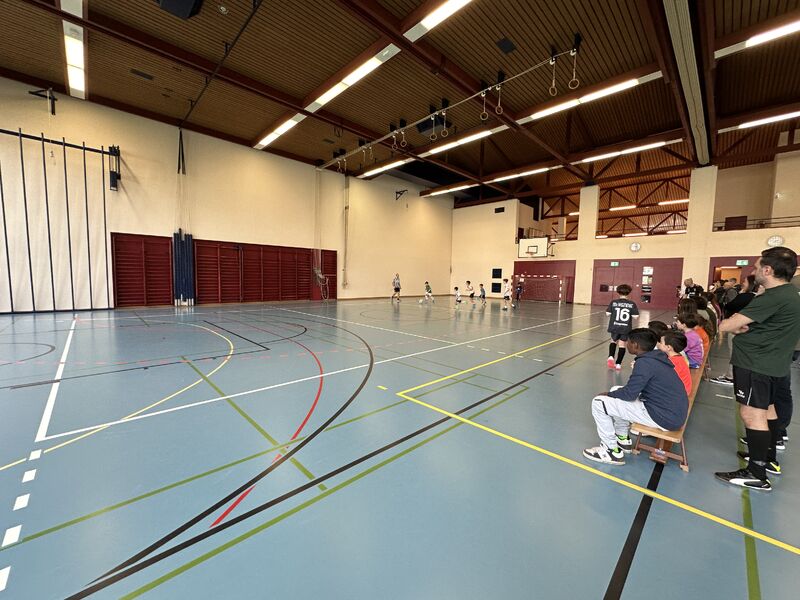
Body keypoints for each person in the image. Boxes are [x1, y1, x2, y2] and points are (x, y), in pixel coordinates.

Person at [715, 247, 800, 491]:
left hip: (756, 365)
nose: (754, 271)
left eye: (756, 267)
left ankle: (756, 472)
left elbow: (726, 325)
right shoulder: (791, 294)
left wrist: (735, 325)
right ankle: (767, 458)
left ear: (768, 270)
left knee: (752, 414)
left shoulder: (773, 297)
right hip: (775, 363)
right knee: (768, 410)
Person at [583, 328, 689, 465]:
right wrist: (613, 393)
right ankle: (622, 439)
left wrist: (608, 394)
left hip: (664, 417)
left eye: (628, 342)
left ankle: (610, 451)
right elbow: (632, 390)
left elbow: (629, 394)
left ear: (635, 345)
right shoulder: (657, 357)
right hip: (672, 412)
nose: (626, 344)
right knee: (616, 389)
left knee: (599, 402)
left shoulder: (644, 363)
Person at [711, 275, 758, 386]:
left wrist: (741, 294)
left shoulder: (745, 297)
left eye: (745, 282)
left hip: (738, 328)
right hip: (747, 329)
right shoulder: (756, 297)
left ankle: (730, 376)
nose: (743, 284)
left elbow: (730, 306)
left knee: (734, 352)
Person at [605, 284, 639, 371]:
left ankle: (611, 356)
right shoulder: (632, 304)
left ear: (618, 292)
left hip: (614, 326)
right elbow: (635, 316)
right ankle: (618, 364)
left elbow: (607, 313)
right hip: (625, 328)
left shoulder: (614, 302)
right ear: (629, 292)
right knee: (622, 345)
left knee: (613, 341)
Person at [658, 331, 692, 395]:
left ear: (668, 347)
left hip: (680, 393)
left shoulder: (672, 363)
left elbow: (664, 380)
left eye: (661, 342)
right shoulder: (678, 356)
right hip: (684, 389)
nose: (659, 344)